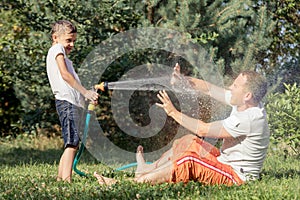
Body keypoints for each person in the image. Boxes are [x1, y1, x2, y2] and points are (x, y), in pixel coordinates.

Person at [94, 63, 269, 186]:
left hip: (237, 176)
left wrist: (172, 112)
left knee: (189, 160)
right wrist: (183, 81)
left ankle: (130, 183)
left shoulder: (249, 118)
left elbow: (203, 129)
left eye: (236, 85)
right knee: (188, 141)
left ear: (247, 95)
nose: (230, 87)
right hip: (224, 161)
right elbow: (207, 88)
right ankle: (147, 170)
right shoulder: (242, 102)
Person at [46, 20, 99, 183]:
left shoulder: (62, 54)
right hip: (66, 102)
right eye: (69, 40)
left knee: (72, 142)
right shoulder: (57, 50)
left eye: (74, 40)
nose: (72, 44)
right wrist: (85, 92)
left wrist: (85, 96)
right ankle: (67, 180)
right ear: (55, 37)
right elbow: (65, 75)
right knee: (72, 142)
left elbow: (71, 81)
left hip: (70, 102)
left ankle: (61, 178)